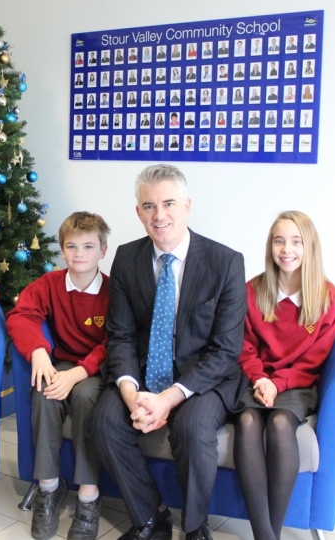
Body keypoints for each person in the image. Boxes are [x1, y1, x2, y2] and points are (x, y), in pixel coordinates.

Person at [90, 164, 247, 540]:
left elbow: (225, 351)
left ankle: (194, 527)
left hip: (202, 379)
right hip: (144, 373)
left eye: (169, 203)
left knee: (192, 428)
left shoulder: (225, 262)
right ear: (138, 212)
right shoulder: (127, 258)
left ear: (187, 206)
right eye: (148, 206)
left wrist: (170, 398)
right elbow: (121, 335)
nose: (159, 215)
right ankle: (151, 518)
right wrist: (130, 394)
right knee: (105, 420)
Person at [235, 211, 335, 540]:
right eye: (279, 241)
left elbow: (313, 361)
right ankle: (265, 536)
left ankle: (271, 534)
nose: (286, 249)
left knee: (281, 424)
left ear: (309, 247)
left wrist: (277, 383)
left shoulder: (328, 298)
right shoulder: (252, 291)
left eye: (296, 241)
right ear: (270, 247)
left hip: (296, 382)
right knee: (248, 422)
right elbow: (244, 346)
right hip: (255, 378)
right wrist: (259, 379)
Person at [7, 212, 111, 540]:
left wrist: (80, 373)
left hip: (95, 371)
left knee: (83, 398)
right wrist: (38, 350)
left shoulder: (112, 290)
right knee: (44, 393)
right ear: (62, 251)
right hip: (62, 363)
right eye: (71, 246)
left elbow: (116, 341)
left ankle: (88, 498)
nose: (79, 253)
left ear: (103, 251)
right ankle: (48, 490)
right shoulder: (50, 284)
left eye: (88, 246)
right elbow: (21, 314)